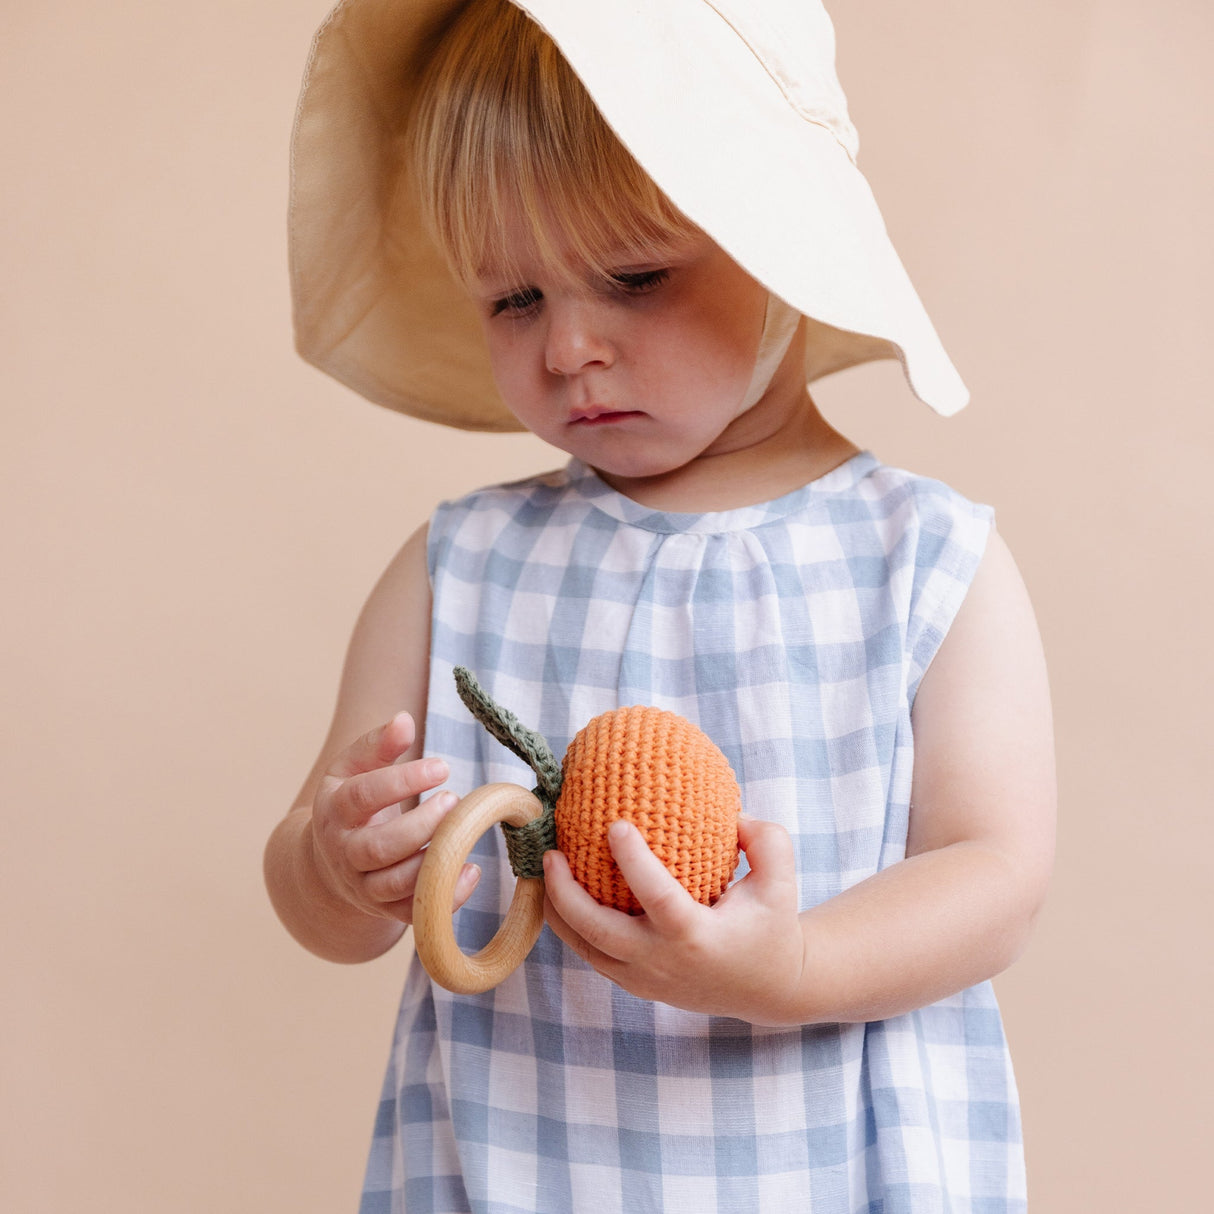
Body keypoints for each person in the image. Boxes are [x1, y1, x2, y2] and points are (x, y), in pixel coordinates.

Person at [264, 0, 1056, 1209]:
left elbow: (993, 869)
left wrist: (792, 962)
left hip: (828, 1169)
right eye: (511, 299)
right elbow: (319, 888)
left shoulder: (920, 558)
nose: (569, 345)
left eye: (634, 276)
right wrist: (336, 866)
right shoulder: (456, 564)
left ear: (783, 243)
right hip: (513, 1167)